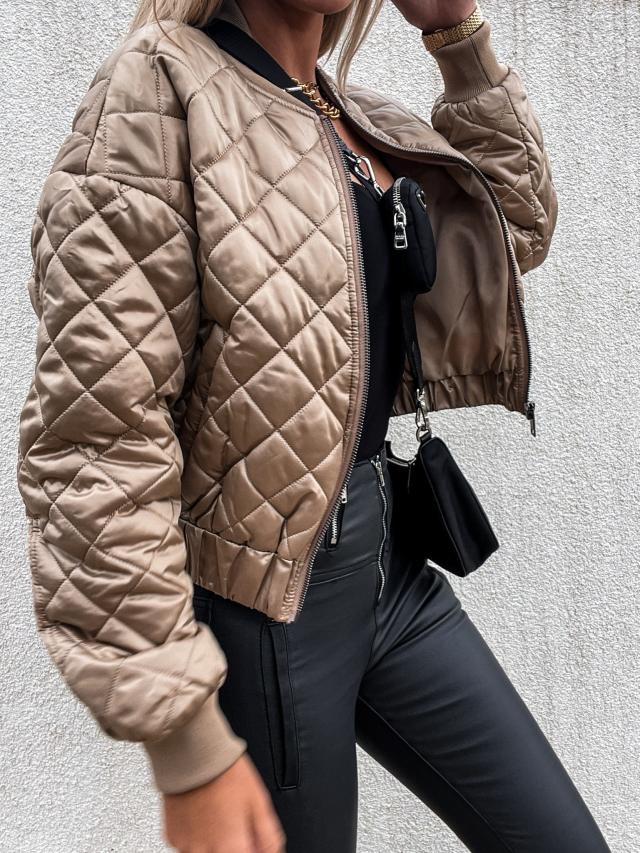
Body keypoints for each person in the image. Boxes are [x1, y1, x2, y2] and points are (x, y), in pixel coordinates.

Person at [16, 0, 611, 851]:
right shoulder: (160, 88)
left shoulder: (345, 115)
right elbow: (95, 437)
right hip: (264, 611)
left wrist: (455, 35)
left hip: (391, 575)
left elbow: (509, 231)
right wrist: (186, 742)